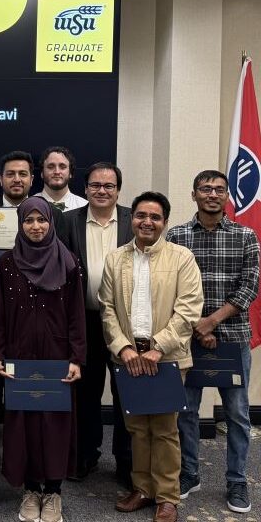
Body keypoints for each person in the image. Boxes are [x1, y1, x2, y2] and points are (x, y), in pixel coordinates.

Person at [99, 192, 202, 522]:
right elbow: (107, 310)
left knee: (165, 429)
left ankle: (168, 496)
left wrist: (158, 348)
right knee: (137, 428)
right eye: (141, 215)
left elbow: (187, 311)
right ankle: (142, 489)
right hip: (128, 358)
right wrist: (124, 348)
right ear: (133, 220)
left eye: (155, 217)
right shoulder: (116, 259)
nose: (147, 221)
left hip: (167, 358)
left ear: (165, 222)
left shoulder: (181, 258)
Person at [167, 171, 259, 513]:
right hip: (187, 340)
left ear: (227, 197)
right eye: (206, 189)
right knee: (186, 411)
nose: (213, 194)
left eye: (220, 189)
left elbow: (249, 287)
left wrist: (211, 322)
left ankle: (237, 482)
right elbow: (171, 288)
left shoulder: (246, 235)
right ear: (193, 195)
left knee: (237, 414)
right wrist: (195, 327)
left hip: (232, 339)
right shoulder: (176, 236)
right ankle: (189, 474)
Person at [0, 196, 85, 522]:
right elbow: (0, 313)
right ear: (20, 224)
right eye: (28, 220)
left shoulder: (69, 261)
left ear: (51, 222)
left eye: (41, 220)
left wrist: (77, 357)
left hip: (57, 357)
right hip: (19, 355)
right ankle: (31, 489)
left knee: (55, 424)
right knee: (23, 425)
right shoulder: (6, 263)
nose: (35, 226)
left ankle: (54, 492)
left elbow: (76, 314)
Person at [63, 162, 133, 484]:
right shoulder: (68, 221)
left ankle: (125, 462)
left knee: (125, 395)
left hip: (127, 325)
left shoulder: (135, 220)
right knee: (86, 393)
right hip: (85, 321)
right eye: (95, 185)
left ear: (118, 189)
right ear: (86, 187)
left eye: (109, 186)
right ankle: (86, 454)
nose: (101, 191)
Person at [36, 146, 87, 212]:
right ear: (42, 173)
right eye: (51, 167)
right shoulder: (27, 205)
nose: (57, 172)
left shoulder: (84, 206)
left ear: (70, 173)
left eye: (62, 167)